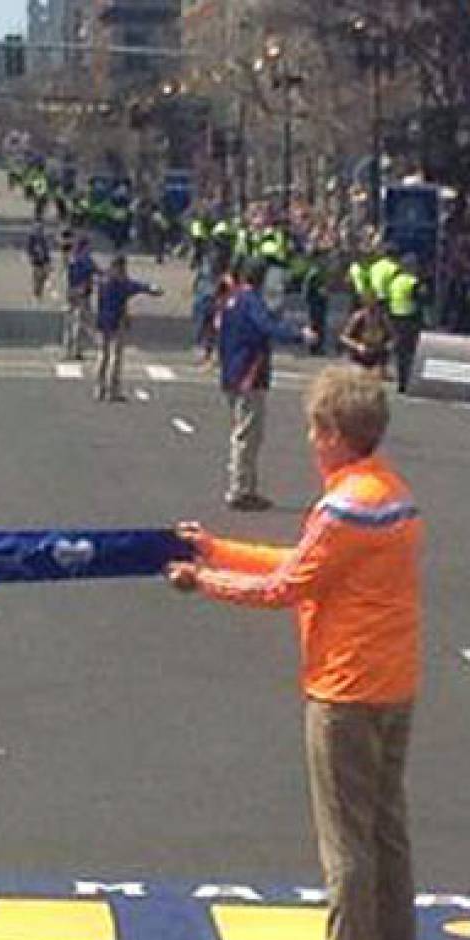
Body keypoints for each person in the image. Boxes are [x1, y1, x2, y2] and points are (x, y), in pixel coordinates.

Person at [168, 365, 420, 940]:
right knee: (386, 827)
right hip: (393, 683)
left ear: (333, 433)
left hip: (344, 690)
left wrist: (202, 579)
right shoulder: (393, 495)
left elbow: (286, 586)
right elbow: (303, 562)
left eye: (314, 430)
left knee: (345, 845)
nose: (310, 441)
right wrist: (216, 548)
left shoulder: (342, 510)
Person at [218, 258, 316, 511]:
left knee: (244, 431)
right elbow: (267, 327)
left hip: (232, 369)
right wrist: (299, 335)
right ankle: (239, 489)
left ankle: (246, 486)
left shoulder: (232, 299)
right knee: (248, 434)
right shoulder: (251, 301)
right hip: (249, 372)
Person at [92, 256, 161, 402]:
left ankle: (99, 388)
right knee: (114, 357)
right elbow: (139, 287)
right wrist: (153, 289)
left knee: (102, 356)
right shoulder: (121, 283)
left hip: (102, 321)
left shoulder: (104, 282)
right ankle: (112, 389)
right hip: (116, 321)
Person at [386, 256, 423, 395]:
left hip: (395, 319)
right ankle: (408, 380)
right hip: (409, 319)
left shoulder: (394, 281)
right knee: (410, 352)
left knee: (400, 353)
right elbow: (419, 300)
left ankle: (401, 382)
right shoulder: (413, 282)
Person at [63, 236, 96, 361]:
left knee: (70, 321)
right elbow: (94, 272)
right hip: (82, 294)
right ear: (84, 247)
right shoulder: (86, 260)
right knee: (80, 322)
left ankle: (67, 349)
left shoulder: (72, 259)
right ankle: (77, 350)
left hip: (71, 292)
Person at [26, 222, 52, 302]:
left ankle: (38, 294)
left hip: (44, 260)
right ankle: (36, 295)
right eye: (38, 229)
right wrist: (33, 255)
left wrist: (48, 260)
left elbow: (47, 250)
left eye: (41, 229)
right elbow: (29, 249)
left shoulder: (43, 238)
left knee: (43, 277)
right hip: (36, 261)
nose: (40, 231)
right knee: (37, 278)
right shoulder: (32, 238)